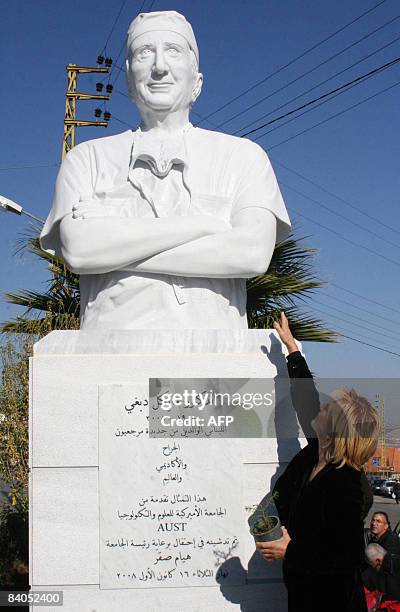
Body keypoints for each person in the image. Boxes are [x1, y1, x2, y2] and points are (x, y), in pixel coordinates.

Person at [40, 10, 291, 330]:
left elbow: (252, 254)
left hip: (214, 358)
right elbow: (79, 251)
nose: (159, 67)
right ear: (129, 80)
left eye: (172, 51)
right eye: (145, 53)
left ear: (197, 81)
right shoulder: (87, 159)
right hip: (108, 352)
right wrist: (202, 225)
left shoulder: (244, 157)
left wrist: (114, 241)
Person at [256, 312, 380, 612]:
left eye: (329, 410)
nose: (321, 408)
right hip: (303, 594)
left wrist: (291, 551)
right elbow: (305, 399)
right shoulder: (316, 452)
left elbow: (343, 558)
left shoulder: (349, 484)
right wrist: (292, 349)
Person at [363, 512, 400, 605]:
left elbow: (386, 567)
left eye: (378, 521)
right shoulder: (374, 538)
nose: (374, 523)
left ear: (386, 526)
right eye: (373, 520)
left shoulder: (391, 541)